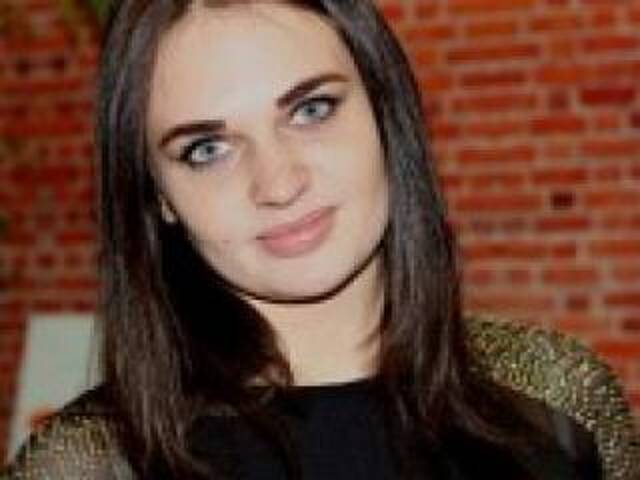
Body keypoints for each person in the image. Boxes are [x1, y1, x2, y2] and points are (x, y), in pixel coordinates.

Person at [3, 1, 639, 479]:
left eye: (311, 110)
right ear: (156, 195)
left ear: (385, 111)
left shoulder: (559, 403)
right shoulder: (87, 465)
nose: (279, 183)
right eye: (208, 148)